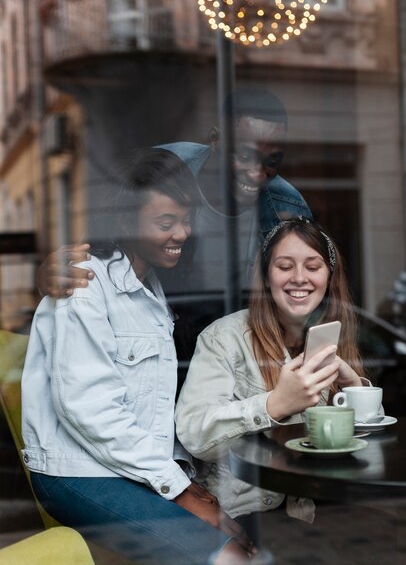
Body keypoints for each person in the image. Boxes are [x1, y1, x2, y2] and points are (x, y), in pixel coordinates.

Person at [21, 149, 254, 565]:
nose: (182, 233)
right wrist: (180, 491)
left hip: (125, 467)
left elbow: (151, 410)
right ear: (127, 221)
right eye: (166, 222)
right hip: (80, 474)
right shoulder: (86, 284)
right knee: (228, 555)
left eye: (186, 220)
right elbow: (90, 409)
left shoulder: (153, 293)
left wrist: (186, 483)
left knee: (239, 538)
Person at [36, 88, 313, 362]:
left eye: (271, 161)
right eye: (243, 156)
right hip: (160, 347)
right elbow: (101, 250)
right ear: (215, 141)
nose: (256, 172)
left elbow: (306, 289)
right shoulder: (164, 172)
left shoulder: (287, 206)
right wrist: (54, 277)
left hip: (239, 352)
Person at [175, 217, 368, 534]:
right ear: (266, 276)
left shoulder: (330, 338)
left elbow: (362, 452)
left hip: (305, 512)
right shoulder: (225, 337)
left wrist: (352, 388)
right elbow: (194, 435)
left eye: (313, 266)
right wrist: (272, 405)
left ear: (329, 276)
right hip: (236, 514)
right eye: (284, 266)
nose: (299, 278)